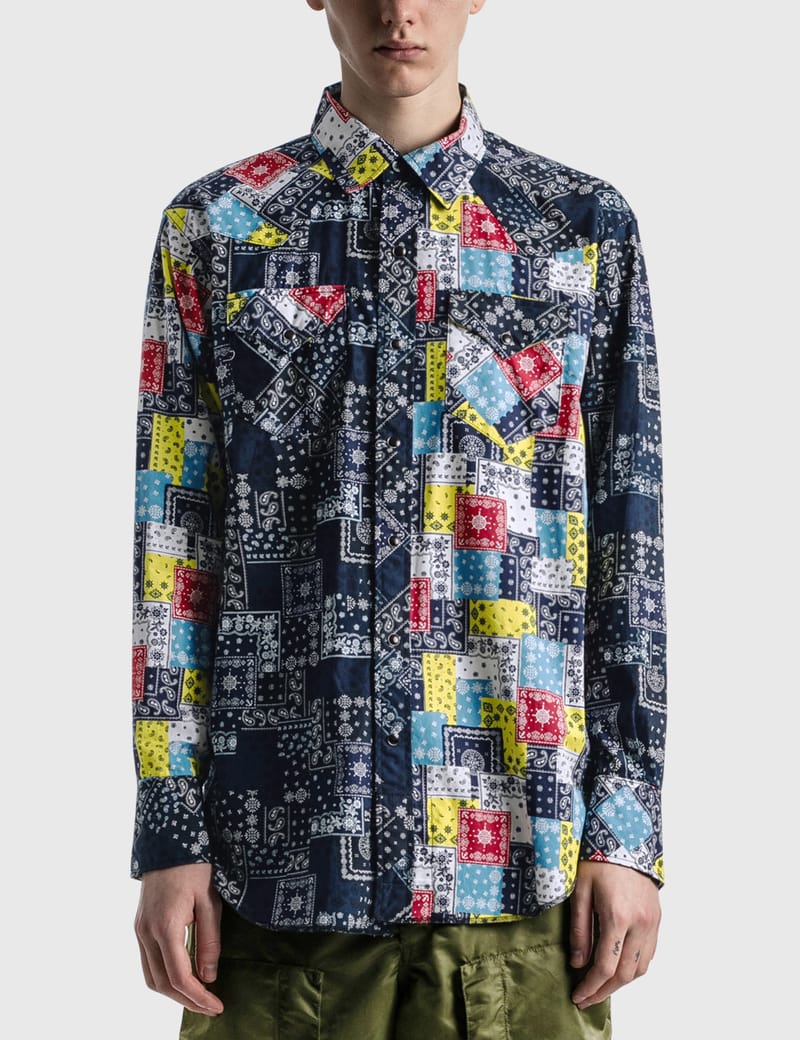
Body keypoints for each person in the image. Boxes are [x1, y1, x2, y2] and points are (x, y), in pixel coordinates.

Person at [131, 2, 667, 1037]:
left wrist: (628, 829)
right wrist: (169, 830)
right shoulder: (217, 226)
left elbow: (626, 540)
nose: (399, 11)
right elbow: (174, 542)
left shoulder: (578, 225)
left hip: (523, 873)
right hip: (271, 882)